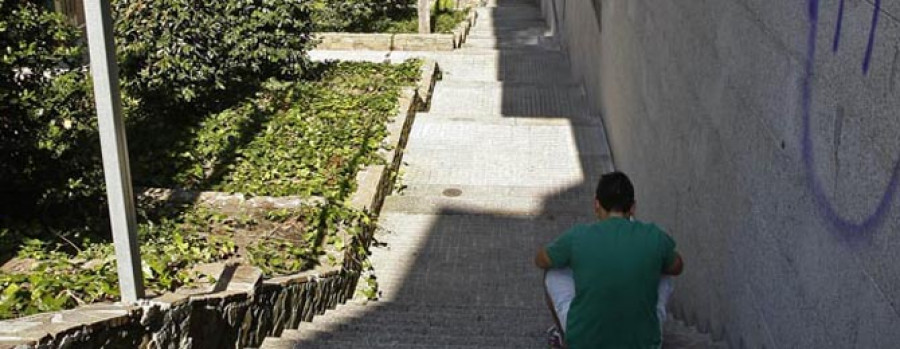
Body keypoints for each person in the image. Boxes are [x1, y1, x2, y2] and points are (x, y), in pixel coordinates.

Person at [534, 171, 684, 348]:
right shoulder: (654, 236)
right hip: (645, 345)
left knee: (553, 273)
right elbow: (677, 266)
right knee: (664, 272)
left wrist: (579, 262)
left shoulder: (578, 237)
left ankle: (565, 340)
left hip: (585, 343)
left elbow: (541, 260)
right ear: (633, 207)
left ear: (596, 204)